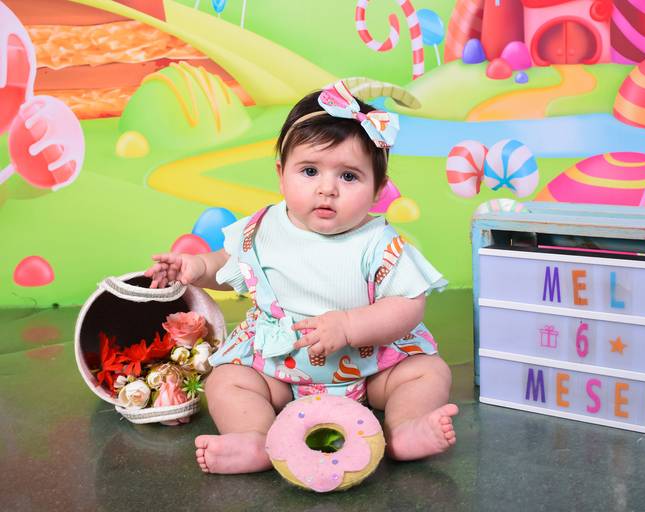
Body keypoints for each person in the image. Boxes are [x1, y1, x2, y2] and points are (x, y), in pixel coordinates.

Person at [145, 81, 458, 474]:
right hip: (279, 365)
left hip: (371, 365)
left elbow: (408, 305)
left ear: (379, 189)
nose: (327, 189)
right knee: (227, 381)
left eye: (349, 177)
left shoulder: (379, 242)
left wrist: (349, 325)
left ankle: (404, 429)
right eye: (310, 171)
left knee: (427, 372)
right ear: (281, 175)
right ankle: (255, 438)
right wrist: (197, 268)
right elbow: (232, 265)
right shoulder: (262, 228)